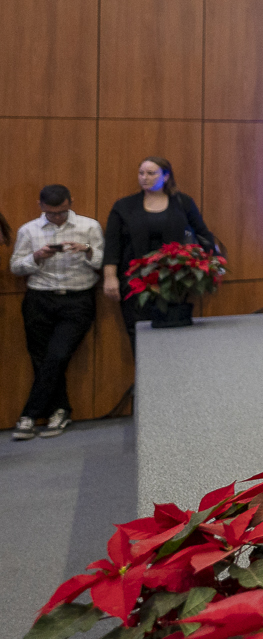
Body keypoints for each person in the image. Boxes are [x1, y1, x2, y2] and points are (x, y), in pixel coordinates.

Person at [10, 185, 103, 440]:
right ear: (40, 206)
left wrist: (86, 249)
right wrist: (36, 257)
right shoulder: (28, 230)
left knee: (58, 355)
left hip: (78, 298)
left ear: (71, 202)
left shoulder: (89, 226)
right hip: (39, 298)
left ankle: (29, 415)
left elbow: (101, 261)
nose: (57, 217)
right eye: (51, 213)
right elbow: (16, 267)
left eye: (62, 211)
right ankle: (60, 411)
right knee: (41, 359)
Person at [103, 157, 222, 342]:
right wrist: (110, 277)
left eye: (151, 173)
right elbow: (112, 244)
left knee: (173, 333)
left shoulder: (182, 202)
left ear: (166, 177)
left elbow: (203, 234)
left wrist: (215, 264)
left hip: (174, 279)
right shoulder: (124, 206)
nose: (144, 178)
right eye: (141, 173)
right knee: (139, 332)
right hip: (134, 279)